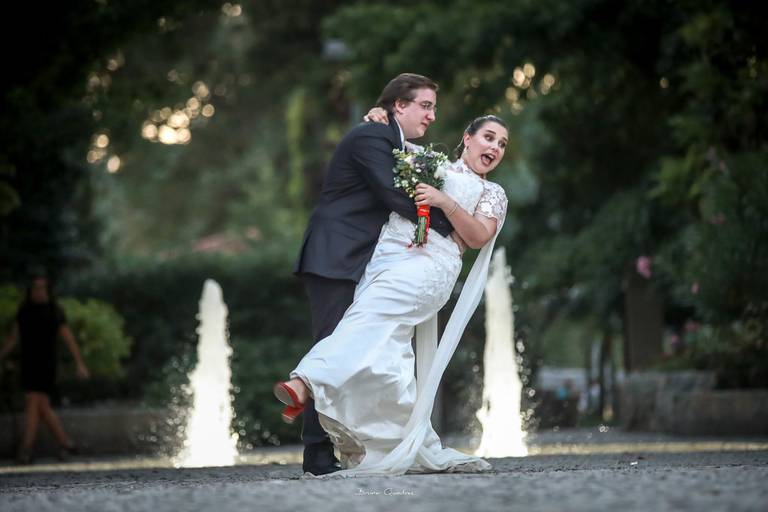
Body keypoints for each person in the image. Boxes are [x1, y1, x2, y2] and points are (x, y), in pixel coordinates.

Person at [276, 111, 509, 478]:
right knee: (389, 354)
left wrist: (444, 202)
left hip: (429, 268)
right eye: (489, 137)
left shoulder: (492, 192)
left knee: (367, 319)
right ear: (467, 138)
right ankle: (383, 442)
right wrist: (378, 119)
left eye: (502, 144)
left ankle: (307, 382)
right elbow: (388, 145)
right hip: (387, 259)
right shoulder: (428, 162)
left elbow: (479, 237)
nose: (495, 147)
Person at [290, 73, 455, 476]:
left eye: (433, 107)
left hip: (359, 260)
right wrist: (450, 226)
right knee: (331, 348)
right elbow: (392, 193)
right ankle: (317, 454)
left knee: (350, 352)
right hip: (336, 256)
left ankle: (345, 446)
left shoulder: (390, 138)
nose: (432, 115)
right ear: (399, 105)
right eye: (425, 105)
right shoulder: (372, 137)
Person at [0, 274, 90, 464]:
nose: (39, 292)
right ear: (30, 291)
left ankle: (26, 449)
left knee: (33, 401)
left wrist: (79, 363)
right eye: (36, 288)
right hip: (28, 363)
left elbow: (68, 339)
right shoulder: (24, 311)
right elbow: (14, 338)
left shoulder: (55, 311)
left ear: (48, 291)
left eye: (43, 288)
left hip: (46, 364)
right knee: (41, 406)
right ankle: (66, 443)